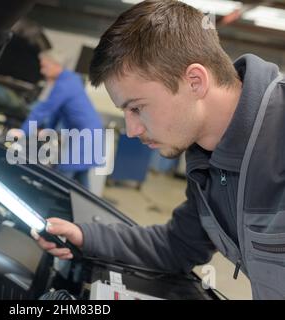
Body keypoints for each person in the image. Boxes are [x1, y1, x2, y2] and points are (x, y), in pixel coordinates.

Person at [30, 0, 285, 300]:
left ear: (195, 81)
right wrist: (86, 236)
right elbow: (177, 246)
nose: (132, 130)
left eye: (137, 108)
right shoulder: (205, 158)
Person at [19, 50, 103, 189]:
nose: (42, 71)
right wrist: (48, 130)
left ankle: (45, 208)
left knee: (59, 180)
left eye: (44, 66)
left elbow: (44, 109)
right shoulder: (70, 79)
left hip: (85, 137)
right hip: (89, 135)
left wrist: (22, 132)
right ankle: (88, 209)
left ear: (55, 64)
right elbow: (57, 112)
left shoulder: (65, 84)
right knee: (81, 182)